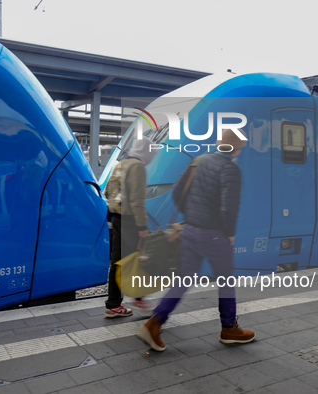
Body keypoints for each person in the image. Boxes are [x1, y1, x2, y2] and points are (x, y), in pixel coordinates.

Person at [137, 129, 255, 351]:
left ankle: (154, 323)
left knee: (183, 280)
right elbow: (228, 207)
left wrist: (190, 217)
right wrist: (229, 233)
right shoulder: (230, 169)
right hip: (213, 234)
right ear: (236, 148)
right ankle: (229, 328)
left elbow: (177, 192)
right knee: (226, 282)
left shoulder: (199, 161)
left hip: (189, 231)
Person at [104, 136, 157, 317]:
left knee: (118, 261)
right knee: (137, 258)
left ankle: (113, 304)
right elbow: (136, 200)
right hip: (130, 220)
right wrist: (142, 226)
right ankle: (138, 298)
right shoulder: (138, 167)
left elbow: (106, 191)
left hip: (115, 218)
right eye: (153, 153)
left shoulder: (120, 163)